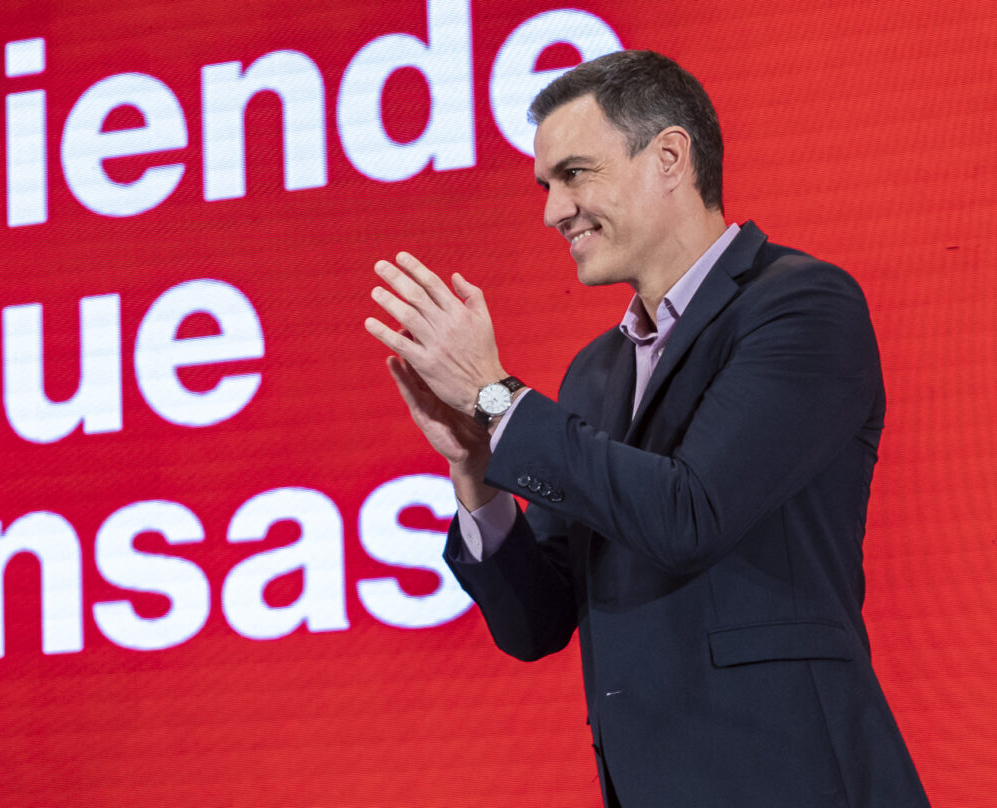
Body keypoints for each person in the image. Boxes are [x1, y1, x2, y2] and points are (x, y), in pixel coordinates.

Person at [363, 50, 929, 807]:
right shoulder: (595, 373)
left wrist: (497, 398)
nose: (552, 210)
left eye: (575, 174)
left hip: (794, 778)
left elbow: (690, 513)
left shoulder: (802, 307)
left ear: (669, 157)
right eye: (546, 185)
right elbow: (537, 622)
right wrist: (474, 467)